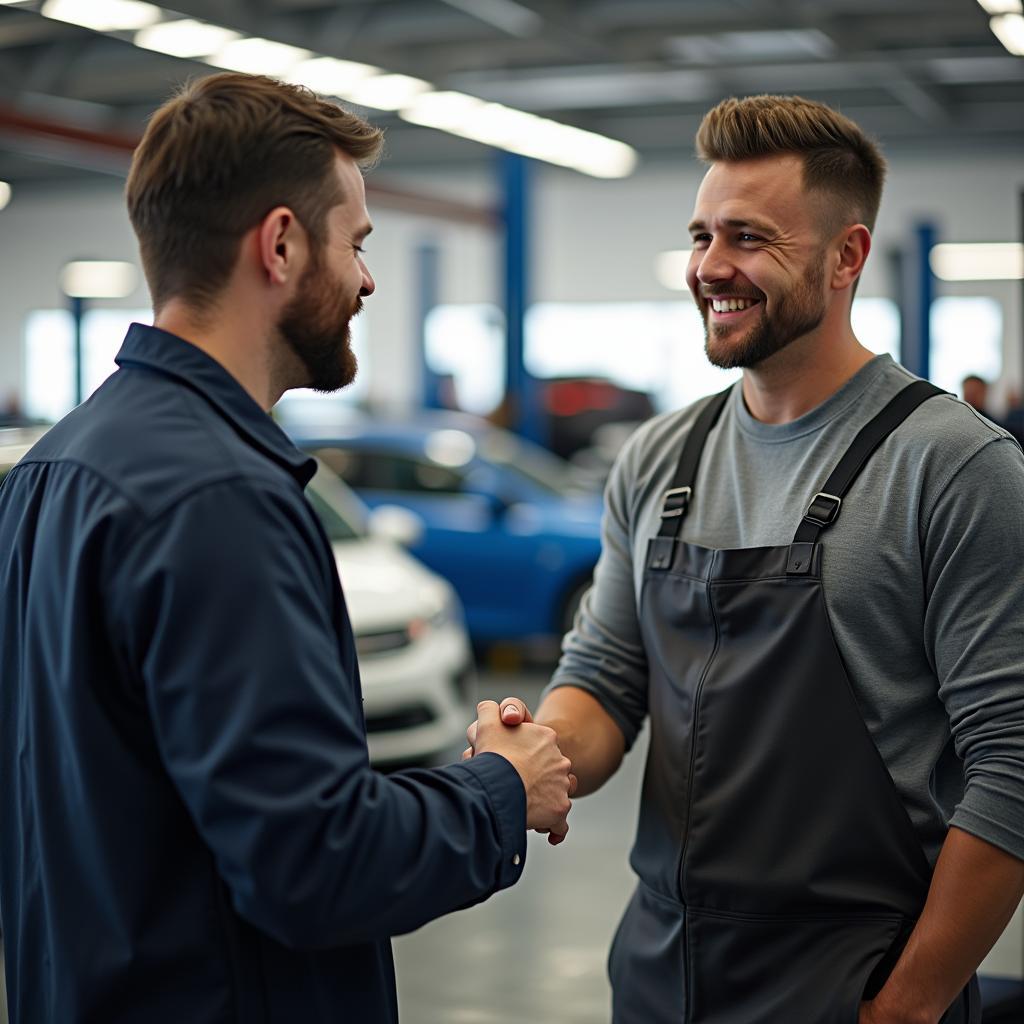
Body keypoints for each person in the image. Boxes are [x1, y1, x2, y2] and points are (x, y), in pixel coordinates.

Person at [0, 72, 575, 1024]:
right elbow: (314, 865)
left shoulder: (57, 466)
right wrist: (500, 792)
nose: (367, 279)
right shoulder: (218, 496)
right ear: (279, 244)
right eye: (355, 243)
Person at [470, 95, 1024, 1023]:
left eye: (749, 238)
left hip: (853, 978)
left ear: (847, 256)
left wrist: (911, 1004)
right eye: (701, 235)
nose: (710, 268)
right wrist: (535, 750)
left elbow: (1011, 766)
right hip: (659, 969)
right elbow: (606, 681)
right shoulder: (657, 459)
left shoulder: (954, 467)